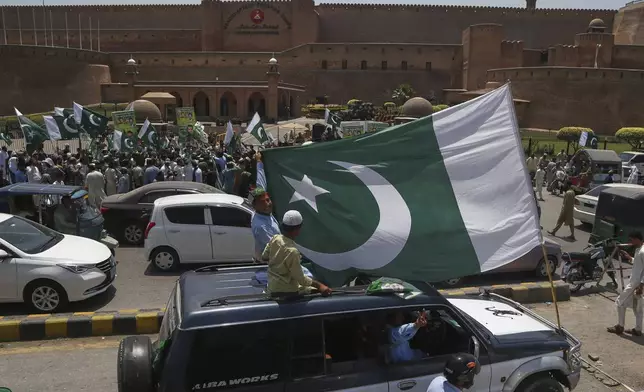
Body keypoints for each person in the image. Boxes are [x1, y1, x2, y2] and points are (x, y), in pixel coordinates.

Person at [263, 210, 331, 296]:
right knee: (314, 290)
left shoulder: (275, 239)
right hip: (288, 292)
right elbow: (301, 279)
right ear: (297, 230)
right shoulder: (293, 252)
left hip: (272, 288)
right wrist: (320, 286)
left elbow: (264, 257)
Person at [607, 231, 644, 337]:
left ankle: (620, 326)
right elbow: (639, 265)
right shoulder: (639, 250)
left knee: (619, 301)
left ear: (637, 239)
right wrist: (629, 257)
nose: (630, 242)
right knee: (637, 307)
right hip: (637, 283)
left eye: (631, 239)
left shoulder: (643, 251)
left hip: (636, 284)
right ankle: (637, 329)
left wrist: (641, 285)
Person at [251, 188, 281, 262]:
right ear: (254, 206)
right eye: (262, 202)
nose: (267, 204)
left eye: (267, 200)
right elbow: (276, 247)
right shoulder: (261, 226)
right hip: (269, 264)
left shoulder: (265, 213)